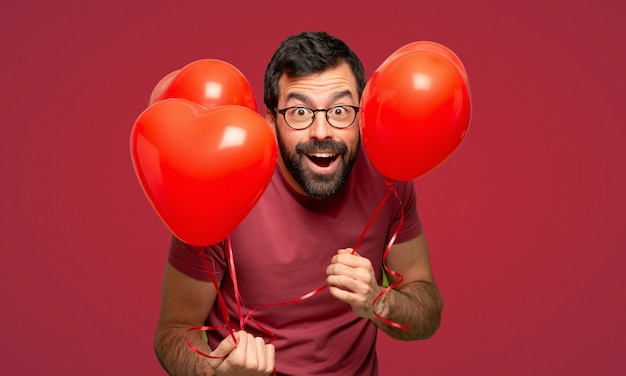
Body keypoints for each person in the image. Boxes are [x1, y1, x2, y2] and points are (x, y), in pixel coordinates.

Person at [154, 31, 443, 376]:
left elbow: (427, 312)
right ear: (270, 120)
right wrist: (217, 374)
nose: (321, 131)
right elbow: (173, 333)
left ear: (362, 115)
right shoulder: (223, 181)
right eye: (300, 111)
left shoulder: (388, 176)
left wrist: (379, 300)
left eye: (339, 110)